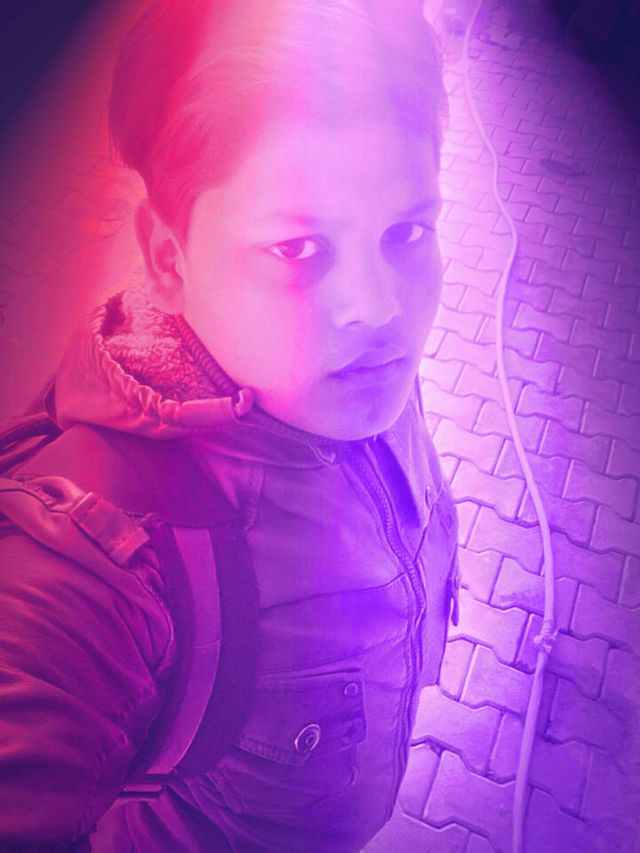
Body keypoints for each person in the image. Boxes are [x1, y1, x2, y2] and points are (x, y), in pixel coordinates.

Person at [0, 1, 459, 850]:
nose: (381, 310)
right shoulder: (105, 553)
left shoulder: (353, 378)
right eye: (297, 248)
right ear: (167, 258)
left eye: (408, 231)